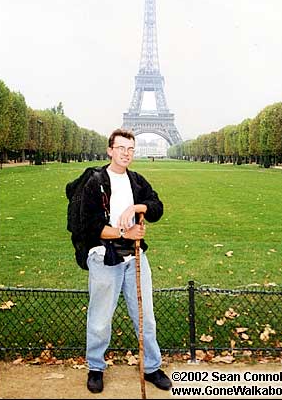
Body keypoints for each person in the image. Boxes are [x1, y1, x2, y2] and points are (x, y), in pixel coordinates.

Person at [80, 128, 172, 393]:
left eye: (131, 149)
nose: (126, 153)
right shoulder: (94, 181)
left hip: (135, 257)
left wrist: (136, 207)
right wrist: (124, 232)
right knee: (100, 317)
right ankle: (96, 367)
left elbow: (157, 207)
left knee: (145, 316)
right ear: (110, 150)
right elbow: (90, 226)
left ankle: (152, 366)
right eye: (121, 148)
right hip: (104, 256)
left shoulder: (137, 181)